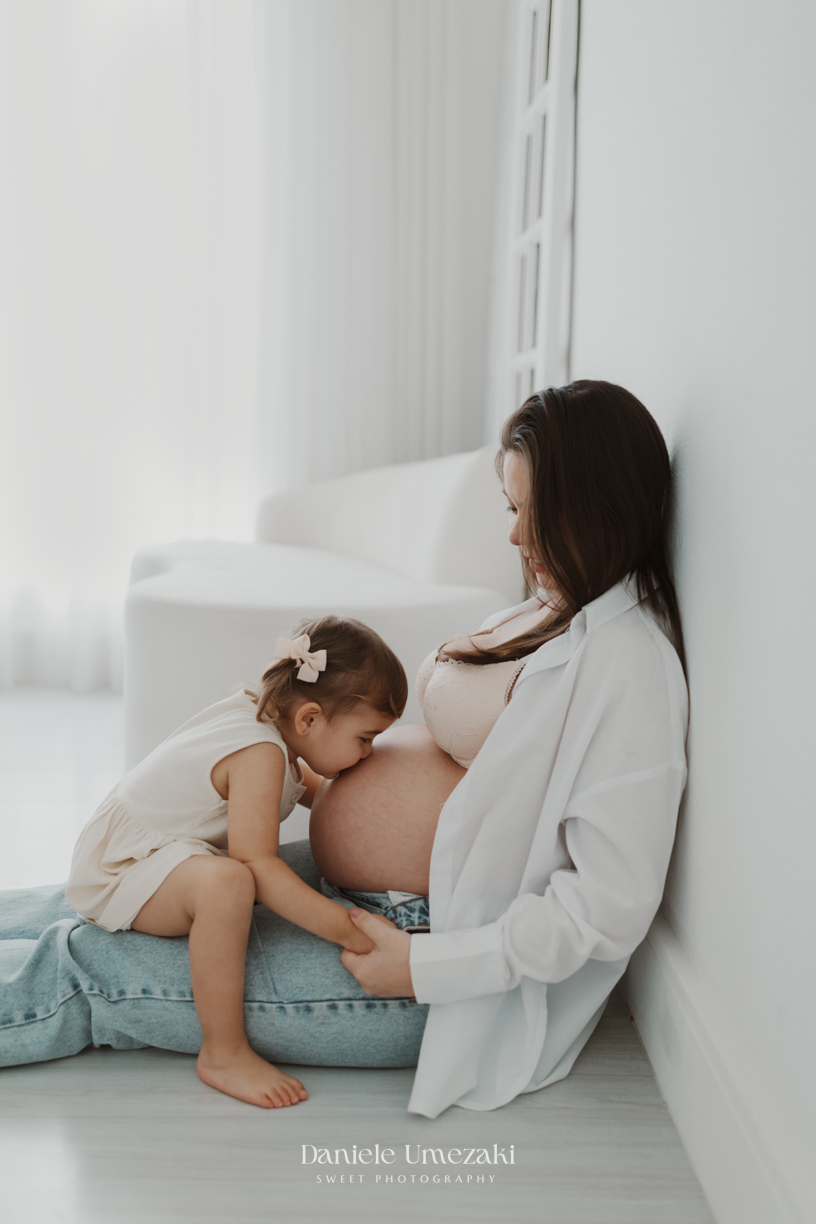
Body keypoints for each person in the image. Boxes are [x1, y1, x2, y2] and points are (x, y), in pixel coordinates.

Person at [0, 380, 688, 1121]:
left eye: (533, 513)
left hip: (428, 956)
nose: (516, 539)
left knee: (88, 964)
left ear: (596, 505)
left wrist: (423, 964)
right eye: (512, 509)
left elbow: (608, 907)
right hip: (383, 900)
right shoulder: (563, 606)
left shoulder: (631, 666)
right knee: (78, 902)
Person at [64, 616, 408, 1109]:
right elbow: (259, 864)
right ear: (309, 719)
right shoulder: (260, 754)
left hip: (142, 847)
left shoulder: (265, 717)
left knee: (232, 875)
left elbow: (306, 790)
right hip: (124, 869)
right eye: (365, 738)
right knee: (231, 883)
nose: (368, 753)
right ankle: (222, 1051)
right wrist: (348, 928)